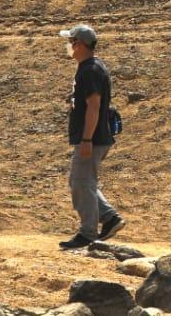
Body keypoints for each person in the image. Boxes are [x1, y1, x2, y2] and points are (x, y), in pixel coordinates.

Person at [60, 23, 124, 249]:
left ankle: (88, 233)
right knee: (82, 182)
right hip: (92, 137)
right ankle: (109, 217)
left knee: (80, 183)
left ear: (79, 44)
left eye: (70, 42)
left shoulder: (91, 70)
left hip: (92, 138)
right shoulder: (87, 68)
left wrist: (87, 139)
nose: (68, 46)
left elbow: (94, 106)